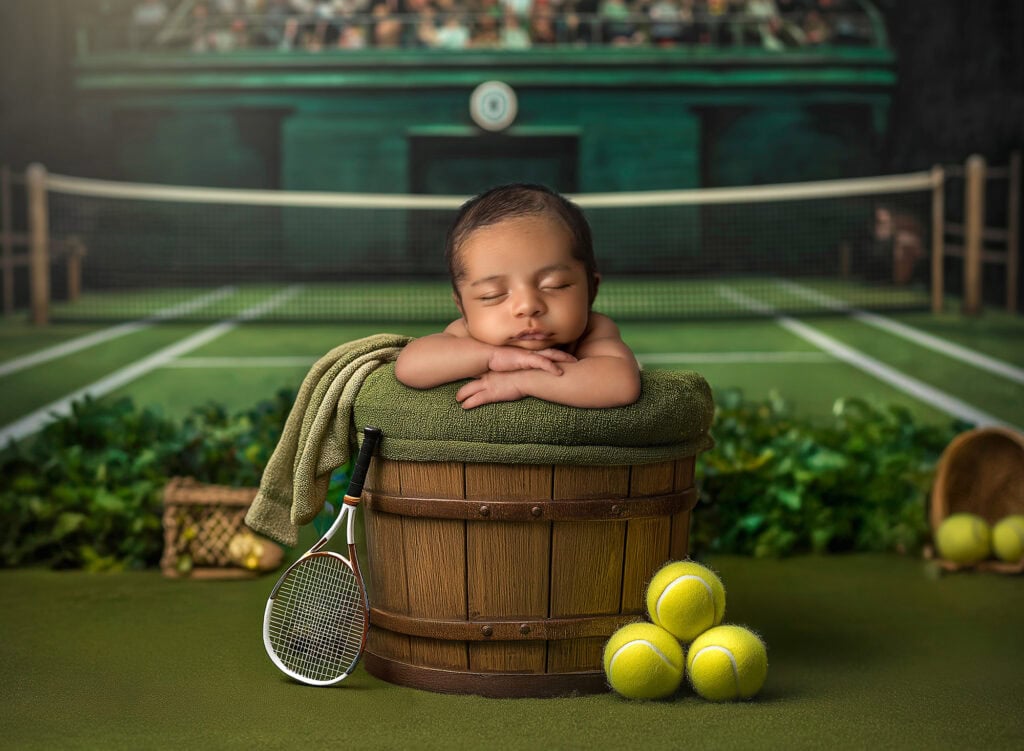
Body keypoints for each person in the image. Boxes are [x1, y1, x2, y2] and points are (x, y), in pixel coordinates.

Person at [395, 184, 641, 410]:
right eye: (493, 295)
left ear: (592, 288)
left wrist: (523, 381)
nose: (528, 306)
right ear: (462, 308)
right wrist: (492, 357)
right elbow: (409, 367)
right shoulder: (466, 335)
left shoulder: (594, 330)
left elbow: (620, 384)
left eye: (555, 285)